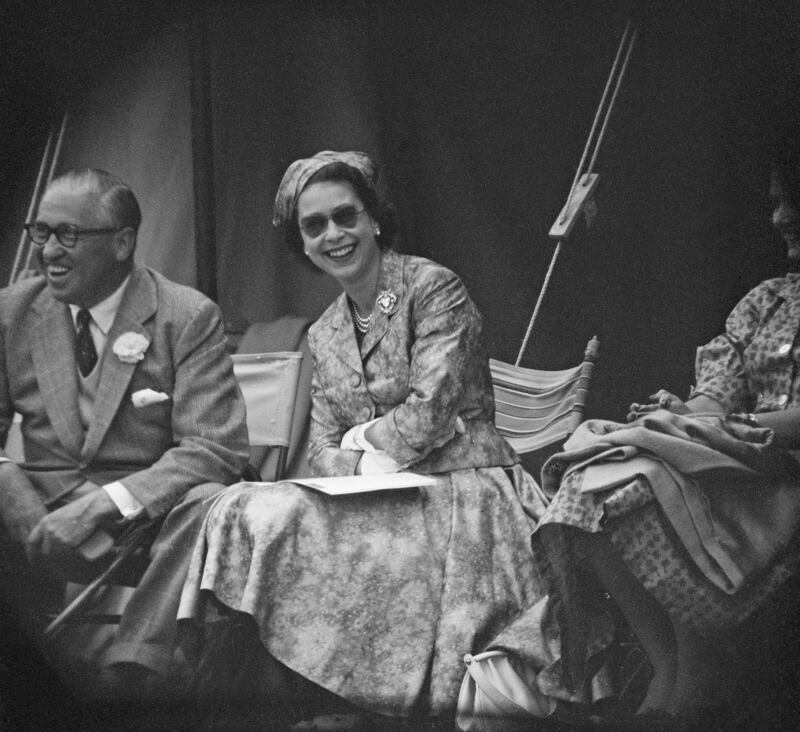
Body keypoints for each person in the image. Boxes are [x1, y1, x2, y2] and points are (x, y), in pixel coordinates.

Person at [177, 150, 548, 723]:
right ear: (301, 243)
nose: (334, 235)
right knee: (240, 511)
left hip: (468, 492)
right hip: (375, 493)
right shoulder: (324, 332)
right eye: (314, 225)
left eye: (345, 216)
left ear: (374, 219)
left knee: (337, 545)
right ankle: (258, 701)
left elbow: (430, 411)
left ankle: (360, 706)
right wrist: (366, 462)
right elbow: (323, 448)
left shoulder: (432, 289)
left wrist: (364, 434)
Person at [495, 131, 800, 719]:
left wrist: (726, 428)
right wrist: (680, 419)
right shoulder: (767, 302)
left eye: (792, 201)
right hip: (733, 458)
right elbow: (718, 392)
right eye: (774, 201)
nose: (779, 217)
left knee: (648, 484)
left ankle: (690, 677)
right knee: (593, 476)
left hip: (776, 482)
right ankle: (668, 663)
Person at [0, 168, 250, 699]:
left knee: (211, 501)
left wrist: (102, 506)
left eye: (69, 234)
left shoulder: (186, 315)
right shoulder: (11, 313)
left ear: (122, 242)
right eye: (40, 232)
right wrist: (16, 499)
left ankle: (132, 673)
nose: (49, 251)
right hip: (40, 511)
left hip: (147, 520)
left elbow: (215, 447)